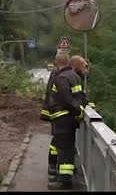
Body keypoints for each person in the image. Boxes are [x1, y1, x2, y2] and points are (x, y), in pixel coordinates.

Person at [47, 52, 85, 190]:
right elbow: (81, 97)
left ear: (57, 63)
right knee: (68, 148)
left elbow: (66, 100)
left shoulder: (61, 78)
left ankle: (64, 181)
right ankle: (63, 176)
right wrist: (81, 110)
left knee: (63, 150)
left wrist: (78, 111)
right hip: (71, 119)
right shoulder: (75, 77)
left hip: (63, 118)